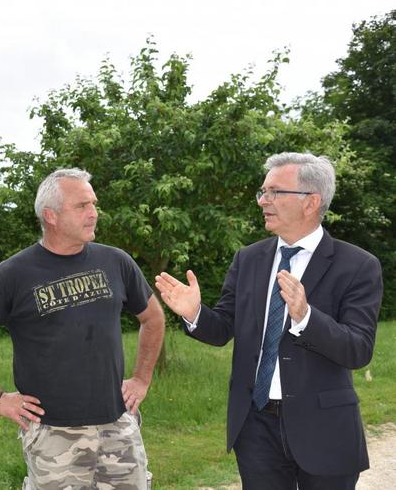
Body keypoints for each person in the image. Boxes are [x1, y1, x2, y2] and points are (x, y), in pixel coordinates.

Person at [155, 152, 383, 489]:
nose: (264, 200)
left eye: (275, 192)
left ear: (311, 202)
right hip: (256, 426)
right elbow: (222, 330)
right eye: (263, 192)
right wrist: (194, 314)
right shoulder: (249, 259)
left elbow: (358, 350)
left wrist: (306, 317)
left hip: (324, 428)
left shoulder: (358, 265)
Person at [0, 168, 165, 489]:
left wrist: (142, 379)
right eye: (81, 206)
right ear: (50, 215)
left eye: (94, 204)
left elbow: (153, 318)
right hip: (53, 435)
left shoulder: (115, 262)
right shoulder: (13, 274)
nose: (93, 213)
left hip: (118, 426)